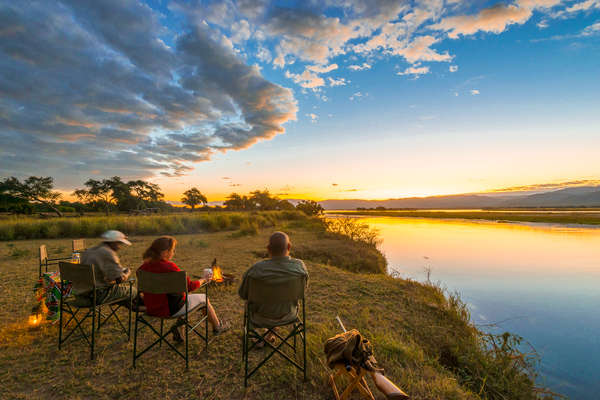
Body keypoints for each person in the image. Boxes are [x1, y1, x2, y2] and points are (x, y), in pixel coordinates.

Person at [138, 236, 228, 342]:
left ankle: (180, 331)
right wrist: (203, 279)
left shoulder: (142, 268)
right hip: (170, 309)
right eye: (172, 250)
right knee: (204, 298)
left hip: (151, 308)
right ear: (165, 252)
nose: (173, 252)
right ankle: (218, 327)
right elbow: (190, 286)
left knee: (181, 298)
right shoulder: (170, 267)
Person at [238, 231, 308, 344]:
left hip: (260, 316)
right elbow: (302, 292)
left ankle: (256, 337)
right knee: (277, 301)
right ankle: (269, 335)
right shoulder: (300, 268)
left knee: (259, 303)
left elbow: (243, 294)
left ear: (268, 248)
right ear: (289, 246)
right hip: (289, 315)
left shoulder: (255, 270)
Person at [81, 230, 137, 305]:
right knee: (132, 291)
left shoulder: (88, 251)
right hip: (97, 295)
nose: (120, 247)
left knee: (120, 292)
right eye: (119, 243)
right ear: (113, 242)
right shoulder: (108, 253)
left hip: (81, 294)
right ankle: (141, 309)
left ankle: (138, 307)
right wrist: (127, 273)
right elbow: (119, 279)